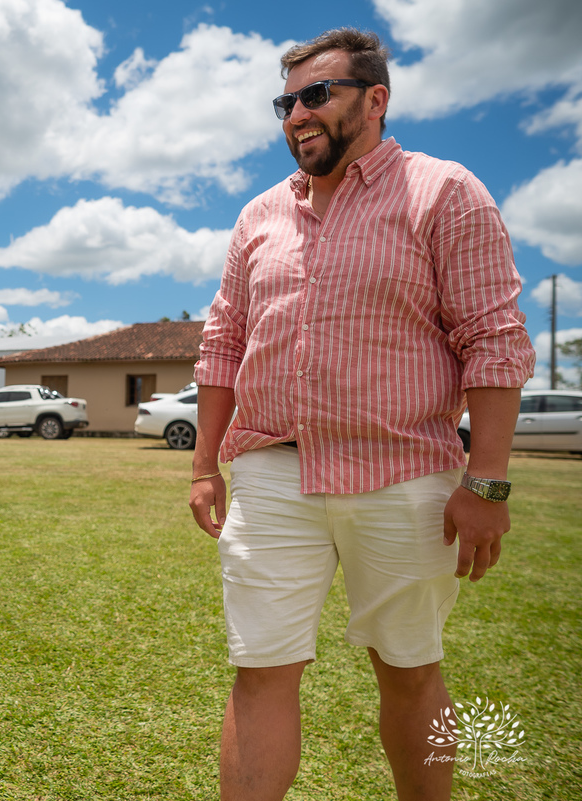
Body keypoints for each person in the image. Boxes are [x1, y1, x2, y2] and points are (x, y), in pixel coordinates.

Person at [187, 28, 535, 801]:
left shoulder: (445, 192)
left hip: (405, 473)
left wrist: (488, 481)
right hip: (274, 473)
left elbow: (495, 340)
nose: (297, 115)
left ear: (375, 100)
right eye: (287, 102)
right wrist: (203, 463)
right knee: (259, 669)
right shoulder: (258, 216)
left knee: (410, 669)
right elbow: (223, 341)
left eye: (317, 95)